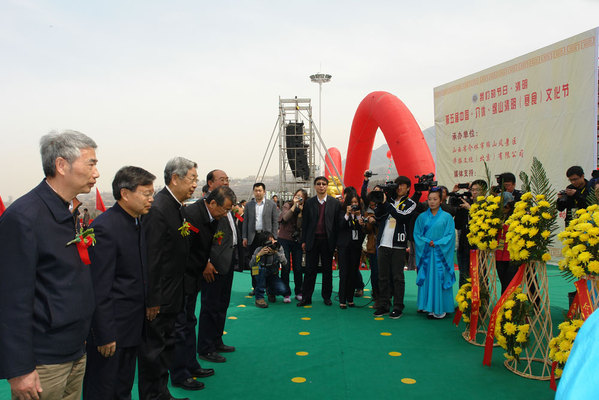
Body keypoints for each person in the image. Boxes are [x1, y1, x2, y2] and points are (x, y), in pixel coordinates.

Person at [0, 130, 99, 400]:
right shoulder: (24, 217)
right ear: (61, 165)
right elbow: (11, 300)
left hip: (75, 350)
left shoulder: (67, 211)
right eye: (91, 163)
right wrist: (19, 368)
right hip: (44, 361)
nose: (97, 172)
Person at [83, 166, 155, 400]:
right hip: (112, 330)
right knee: (104, 389)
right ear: (125, 194)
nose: (151, 199)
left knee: (123, 387)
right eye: (146, 193)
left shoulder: (137, 222)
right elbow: (99, 286)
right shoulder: (105, 227)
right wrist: (104, 333)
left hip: (132, 327)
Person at [138, 157, 198, 400]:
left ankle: (162, 393)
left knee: (166, 348)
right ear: (175, 178)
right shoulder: (159, 208)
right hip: (160, 298)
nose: (195, 184)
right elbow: (151, 258)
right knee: (154, 351)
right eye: (192, 179)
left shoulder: (177, 207)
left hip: (174, 292)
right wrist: (152, 299)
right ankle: (153, 395)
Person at [169, 188, 236, 390]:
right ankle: (180, 375)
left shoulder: (212, 216)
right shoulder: (192, 215)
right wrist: (205, 263)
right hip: (183, 278)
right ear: (213, 203)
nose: (226, 215)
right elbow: (184, 249)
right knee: (180, 327)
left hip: (194, 277)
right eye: (224, 210)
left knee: (189, 322)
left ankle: (191, 366)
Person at [197, 170, 238, 364]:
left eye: (227, 180)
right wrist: (206, 262)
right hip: (212, 265)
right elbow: (202, 240)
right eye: (222, 180)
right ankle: (206, 347)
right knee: (210, 306)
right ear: (210, 183)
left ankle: (216, 340)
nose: (226, 182)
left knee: (222, 304)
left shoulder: (227, 203)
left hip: (227, 262)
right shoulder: (207, 207)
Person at [373, 176, 417, 319]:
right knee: (382, 276)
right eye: (397, 185)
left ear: (408, 188)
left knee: (398, 277)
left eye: (403, 185)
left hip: (398, 244)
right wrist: (382, 201)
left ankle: (398, 306)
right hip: (383, 243)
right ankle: (384, 305)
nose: (399, 188)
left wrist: (387, 204)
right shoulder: (389, 201)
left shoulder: (411, 203)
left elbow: (402, 217)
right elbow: (378, 215)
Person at [414, 188, 456, 319]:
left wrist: (438, 243)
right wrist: (427, 241)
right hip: (427, 254)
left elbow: (450, 235)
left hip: (440, 254)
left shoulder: (447, 217)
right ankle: (428, 307)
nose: (432, 202)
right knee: (427, 277)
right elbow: (417, 234)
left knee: (440, 277)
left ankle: (441, 308)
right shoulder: (421, 217)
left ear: (441, 200)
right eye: (430, 199)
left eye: (435, 199)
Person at [299, 176, 341, 307]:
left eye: (323, 184)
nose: (321, 186)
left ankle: (327, 297)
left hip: (328, 242)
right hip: (312, 240)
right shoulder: (309, 203)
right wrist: (303, 241)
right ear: (315, 186)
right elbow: (304, 224)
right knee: (310, 270)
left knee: (327, 271)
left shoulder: (335, 203)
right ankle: (306, 298)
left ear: (327, 186)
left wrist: (336, 243)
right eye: (318, 184)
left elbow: (337, 225)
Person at [242, 183, 280, 299]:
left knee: (270, 264)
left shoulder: (271, 205)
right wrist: (244, 237)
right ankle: (256, 287)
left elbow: (275, 222)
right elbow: (245, 222)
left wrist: (274, 237)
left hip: (267, 238)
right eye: (256, 190)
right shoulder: (248, 205)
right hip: (253, 238)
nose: (258, 192)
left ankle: (270, 290)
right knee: (254, 263)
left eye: (260, 190)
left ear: (264, 192)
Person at [452, 179, 487, 288]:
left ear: (484, 191)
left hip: (479, 246)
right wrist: (458, 207)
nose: (474, 192)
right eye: (473, 189)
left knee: (480, 274)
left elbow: (484, 223)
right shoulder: (465, 203)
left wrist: (470, 209)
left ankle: (481, 301)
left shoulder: (487, 205)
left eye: (478, 190)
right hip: (464, 245)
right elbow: (457, 225)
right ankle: (464, 302)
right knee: (464, 274)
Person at [337, 191, 366, 308]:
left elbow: (362, 231)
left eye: (356, 202)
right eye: (352, 202)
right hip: (344, 247)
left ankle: (350, 298)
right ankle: (342, 299)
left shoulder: (360, 214)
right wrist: (348, 214)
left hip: (355, 247)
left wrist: (359, 217)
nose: (354, 204)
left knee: (353, 273)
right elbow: (340, 226)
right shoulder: (342, 213)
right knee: (344, 273)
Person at [278, 189, 308, 301]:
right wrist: (294, 206)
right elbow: (285, 218)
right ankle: (286, 293)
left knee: (298, 267)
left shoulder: (305, 209)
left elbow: (300, 226)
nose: (299, 198)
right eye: (297, 195)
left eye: (301, 197)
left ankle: (299, 291)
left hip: (297, 240)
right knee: (285, 267)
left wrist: (300, 213)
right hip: (284, 238)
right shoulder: (287, 205)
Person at [250, 232, 290, 308]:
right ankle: (259, 298)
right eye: (270, 242)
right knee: (260, 269)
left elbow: (285, 263)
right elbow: (251, 265)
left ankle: (270, 291)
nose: (273, 243)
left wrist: (276, 253)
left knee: (283, 290)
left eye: (273, 240)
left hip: (272, 273)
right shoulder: (259, 249)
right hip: (260, 273)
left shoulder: (278, 247)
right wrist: (259, 255)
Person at [495, 193, 517, 294]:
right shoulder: (497, 215)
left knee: (509, 282)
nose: (503, 208)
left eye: (505, 206)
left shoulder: (516, 215)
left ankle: (508, 304)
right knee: (503, 281)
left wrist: (504, 226)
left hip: (511, 253)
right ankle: (503, 303)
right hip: (499, 252)